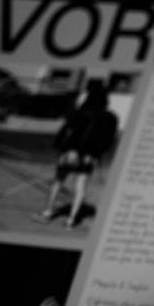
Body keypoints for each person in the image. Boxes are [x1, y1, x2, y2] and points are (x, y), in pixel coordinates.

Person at [34, 79, 119, 229]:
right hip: (89, 157)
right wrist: (95, 155)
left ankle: (47, 213)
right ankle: (71, 221)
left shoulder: (79, 113)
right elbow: (108, 140)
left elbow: (67, 132)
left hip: (70, 152)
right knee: (81, 186)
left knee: (59, 181)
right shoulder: (111, 118)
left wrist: (63, 149)